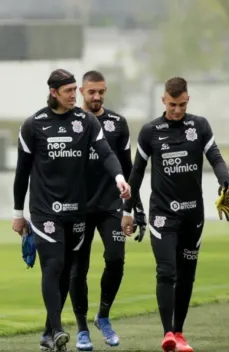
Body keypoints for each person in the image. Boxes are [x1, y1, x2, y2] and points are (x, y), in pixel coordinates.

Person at [12, 69, 131, 352]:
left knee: (66, 270)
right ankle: (56, 331)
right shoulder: (34, 124)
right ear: (54, 92)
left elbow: (106, 152)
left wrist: (118, 177)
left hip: (77, 211)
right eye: (68, 91)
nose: (73, 96)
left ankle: (46, 332)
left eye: (74, 90)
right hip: (45, 210)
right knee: (53, 266)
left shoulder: (86, 121)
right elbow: (21, 173)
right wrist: (18, 214)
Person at [121, 77, 229, 352]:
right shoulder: (150, 132)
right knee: (166, 271)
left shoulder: (200, 126)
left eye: (182, 104)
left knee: (187, 275)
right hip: (162, 214)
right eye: (172, 104)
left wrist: (225, 182)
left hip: (193, 215)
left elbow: (216, 158)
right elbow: (135, 174)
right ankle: (168, 333)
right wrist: (127, 210)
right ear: (164, 101)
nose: (177, 110)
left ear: (188, 99)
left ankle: (180, 333)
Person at [67, 70, 147, 351]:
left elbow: (128, 169)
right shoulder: (70, 123)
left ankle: (103, 316)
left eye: (101, 91)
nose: (97, 96)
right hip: (77, 208)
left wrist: (136, 208)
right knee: (78, 268)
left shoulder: (117, 123)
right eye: (91, 92)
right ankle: (81, 329)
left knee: (115, 259)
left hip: (111, 205)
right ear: (81, 92)